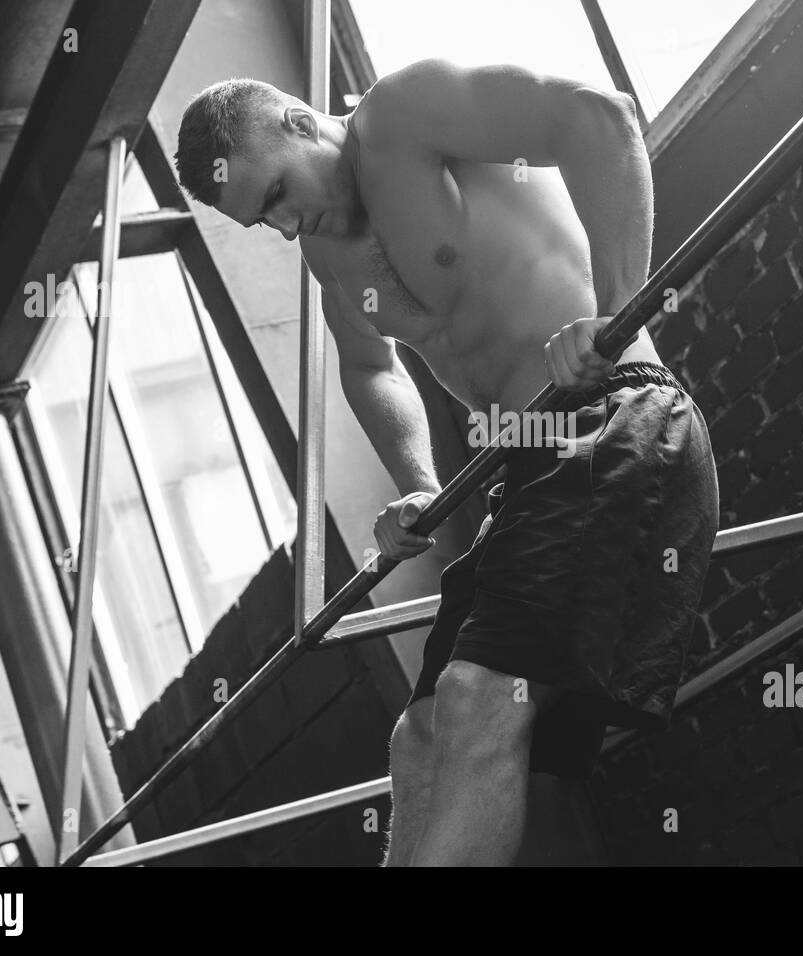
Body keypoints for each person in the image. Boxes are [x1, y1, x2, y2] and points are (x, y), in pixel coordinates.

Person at [174, 58, 719, 866]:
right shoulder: (331, 261)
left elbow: (601, 116)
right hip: (525, 474)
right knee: (419, 734)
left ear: (297, 122)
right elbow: (370, 367)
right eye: (264, 223)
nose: (287, 229)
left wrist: (614, 314)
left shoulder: (405, 116)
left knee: (476, 698)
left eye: (278, 196)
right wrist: (420, 487)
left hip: (612, 419)